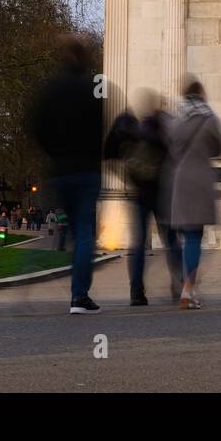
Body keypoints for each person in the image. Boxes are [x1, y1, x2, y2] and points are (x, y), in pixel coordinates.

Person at [29, 36, 105, 314]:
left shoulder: (50, 90)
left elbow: (36, 126)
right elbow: (101, 129)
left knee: (71, 230)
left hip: (60, 169)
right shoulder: (91, 90)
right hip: (85, 170)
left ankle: (33, 268)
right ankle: (78, 296)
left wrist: (54, 152)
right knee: (85, 235)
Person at [106, 88, 181, 306]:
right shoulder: (161, 124)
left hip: (139, 190)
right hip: (161, 190)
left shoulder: (127, 124)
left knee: (138, 243)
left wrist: (125, 173)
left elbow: (109, 153)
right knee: (170, 239)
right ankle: (181, 282)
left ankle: (136, 291)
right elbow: (175, 155)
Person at [161, 78, 221, 309]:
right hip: (201, 179)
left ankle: (186, 285)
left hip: (180, 180)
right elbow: (218, 148)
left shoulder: (176, 121)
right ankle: (189, 288)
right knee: (195, 238)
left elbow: (170, 147)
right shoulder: (210, 119)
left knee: (187, 237)